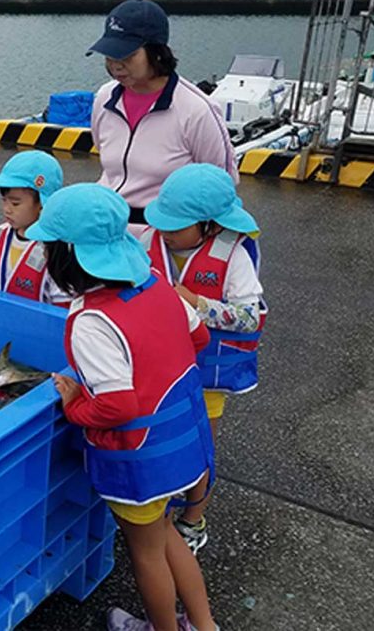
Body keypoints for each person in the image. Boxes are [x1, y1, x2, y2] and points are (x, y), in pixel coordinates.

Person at [26, 184, 218, 631]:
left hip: (142, 462)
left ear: (67, 257)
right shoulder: (153, 281)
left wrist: (74, 405)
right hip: (185, 446)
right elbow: (199, 338)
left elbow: (116, 405)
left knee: (147, 552)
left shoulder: (92, 321)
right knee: (167, 535)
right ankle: (205, 626)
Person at [141, 163, 265, 553]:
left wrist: (200, 305)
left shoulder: (234, 258)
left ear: (209, 225)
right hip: (162, 370)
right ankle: (157, 507)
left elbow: (251, 317)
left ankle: (193, 521)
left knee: (199, 449)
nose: (165, 233)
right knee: (159, 440)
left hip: (207, 376)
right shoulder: (153, 241)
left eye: (176, 227)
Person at [88, 0, 237, 233]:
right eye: (109, 55)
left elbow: (222, 182)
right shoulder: (105, 98)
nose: (115, 65)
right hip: (106, 228)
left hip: (165, 234)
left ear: (156, 53)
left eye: (126, 55)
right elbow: (104, 153)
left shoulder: (196, 109)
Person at [0, 151, 70, 306]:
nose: (7, 209)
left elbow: (62, 304)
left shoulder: (55, 247)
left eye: (15, 203)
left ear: (42, 204)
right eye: (4, 201)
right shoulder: (2, 231)